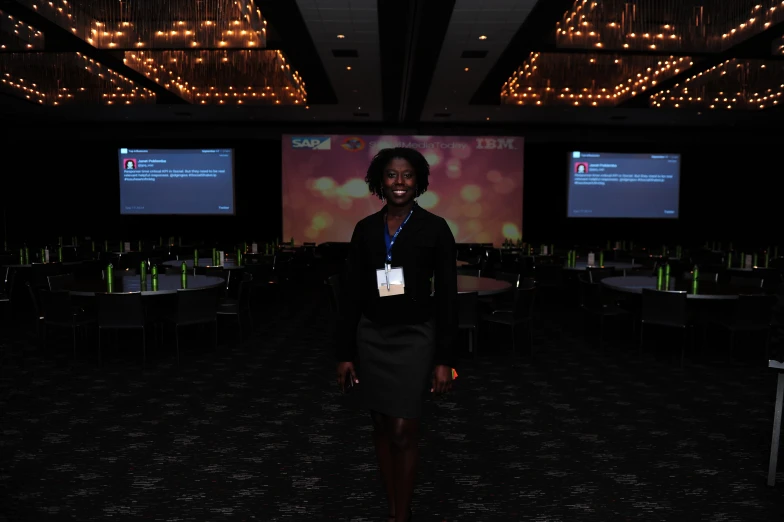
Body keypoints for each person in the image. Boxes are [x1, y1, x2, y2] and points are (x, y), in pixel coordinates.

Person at [335, 147, 458, 522]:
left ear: (418, 181)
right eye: (392, 175)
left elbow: (448, 298)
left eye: (407, 175)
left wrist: (444, 360)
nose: (399, 182)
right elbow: (351, 294)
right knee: (382, 425)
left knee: (404, 427)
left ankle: (399, 516)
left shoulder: (436, 228)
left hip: (415, 338)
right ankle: (393, 504)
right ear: (379, 181)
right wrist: (344, 352)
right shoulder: (365, 229)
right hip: (371, 337)